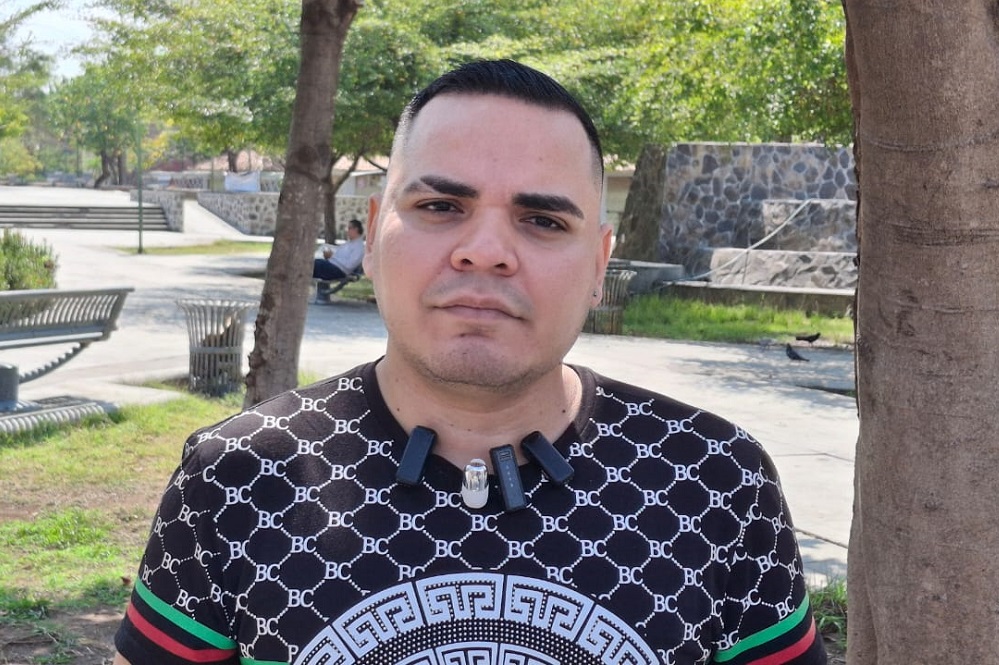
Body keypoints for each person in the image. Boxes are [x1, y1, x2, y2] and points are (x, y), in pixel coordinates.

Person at [113, 60, 826, 665]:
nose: (485, 251)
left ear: (599, 263)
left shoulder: (716, 478)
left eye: (542, 220)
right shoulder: (235, 476)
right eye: (440, 206)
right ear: (373, 234)